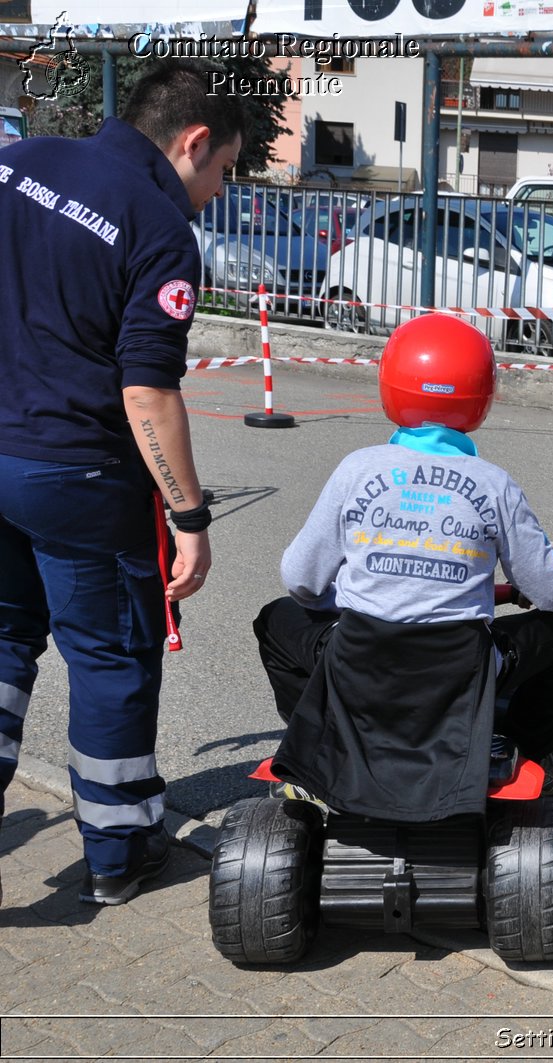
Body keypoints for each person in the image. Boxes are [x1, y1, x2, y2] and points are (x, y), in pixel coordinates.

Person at [0, 59, 246, 906]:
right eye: (222, 170)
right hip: (78, 472)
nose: (218, 190)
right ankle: (117, 851)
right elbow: (147, 389)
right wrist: (189, 513)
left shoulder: (19, 162)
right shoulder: (158, 225)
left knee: (0, 645)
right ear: (194, 140)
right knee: (111, 657)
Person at [253, 314, 553, 818]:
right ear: (481, 397)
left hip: (359, 661)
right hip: (461, 668)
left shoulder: (357, 468)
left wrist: (356, 591)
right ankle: (511, 746)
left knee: (275, 618)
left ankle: (324, 736)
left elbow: (301, 581)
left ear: (390, 386)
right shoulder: (493, 483)